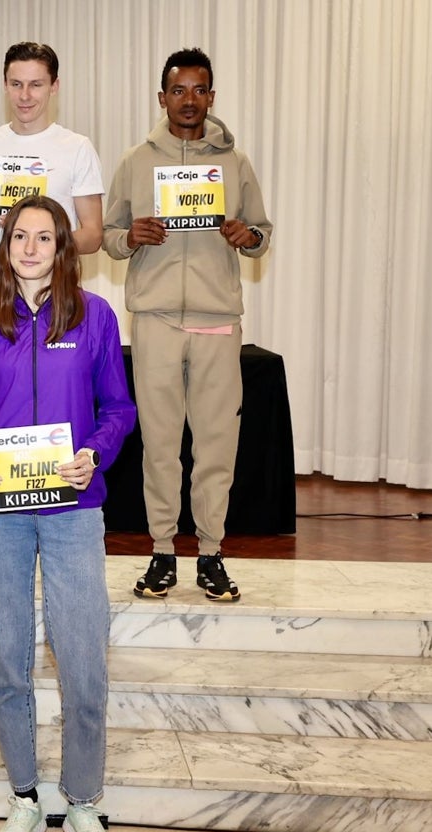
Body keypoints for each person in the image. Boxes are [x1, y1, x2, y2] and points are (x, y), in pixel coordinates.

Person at [0, 195, 135, 832]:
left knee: (82, 655)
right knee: (8, 656)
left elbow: (118, 407)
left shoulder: (96, 317)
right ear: (5, 246)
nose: (30, 248)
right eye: (19, 237)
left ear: (63, 248)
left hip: (74, 505)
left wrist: (95, 454)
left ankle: (83, 799)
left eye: (44, 238)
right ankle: (25, 796)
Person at [103, 48, 272, 602]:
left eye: (200, 90)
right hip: (154, 318)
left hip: (217, 320)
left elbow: (262, 233)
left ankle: (211, 552)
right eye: (179, 91)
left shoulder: (236, 163)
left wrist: (247, 236)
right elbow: (109, 234)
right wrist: (133, 238)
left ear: (212, 98)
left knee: (217, 444)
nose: (189, 101)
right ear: (162, 98)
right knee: (159, 444)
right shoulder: (135, 160)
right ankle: (160, 552)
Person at [0, 42, 104, 307]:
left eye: (36, 84)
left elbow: (93, 235)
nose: (25, 95)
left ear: (54, 86)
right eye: (16, 84)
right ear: (5, 85)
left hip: (56, 298)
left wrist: (42, 237)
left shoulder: (76, 148)